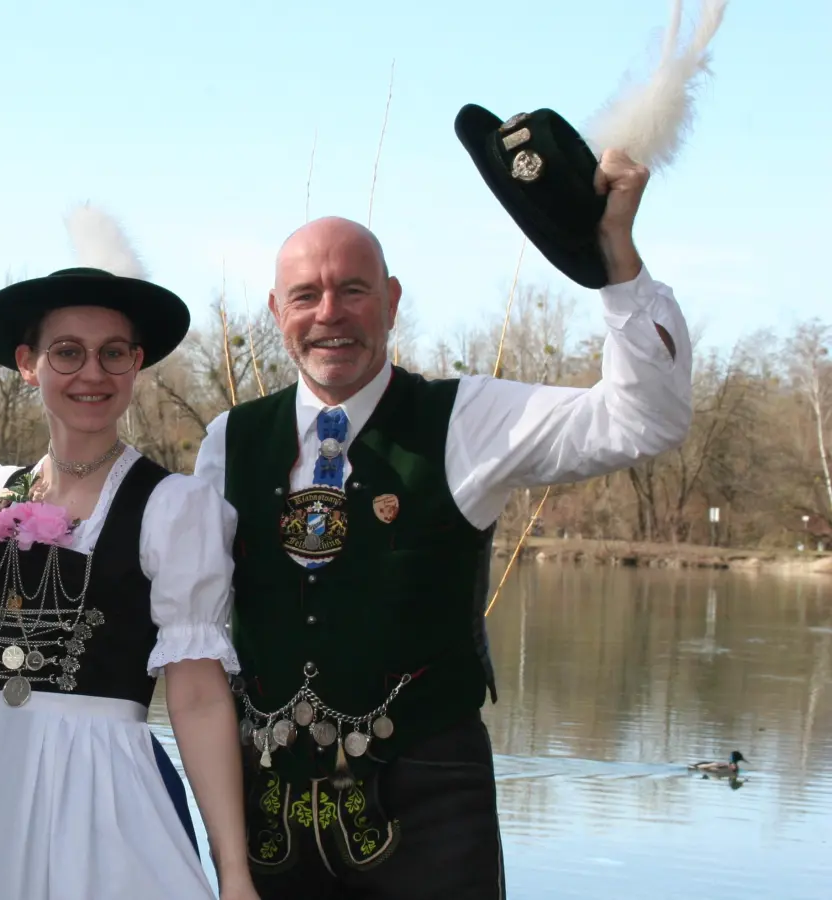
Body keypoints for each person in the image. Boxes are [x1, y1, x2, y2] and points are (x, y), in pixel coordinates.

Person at [193, 141, 693, 897]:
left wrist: (615, 259)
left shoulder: (467, 418)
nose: (329, 314)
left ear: (392, 301)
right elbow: (189, 626)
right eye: (306, 296)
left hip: (429, 807)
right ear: (275, 312)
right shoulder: (227, 441)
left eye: (353, 290)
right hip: (269, 820)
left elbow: (642, 420)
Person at [0, 206, 262, 900]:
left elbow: (198, 699)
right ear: (28, 365)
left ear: (136, 363)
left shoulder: (174, 507)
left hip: (107, 792)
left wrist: (233, 873)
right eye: (67, 351)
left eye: (114, 351)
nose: (92, 371)